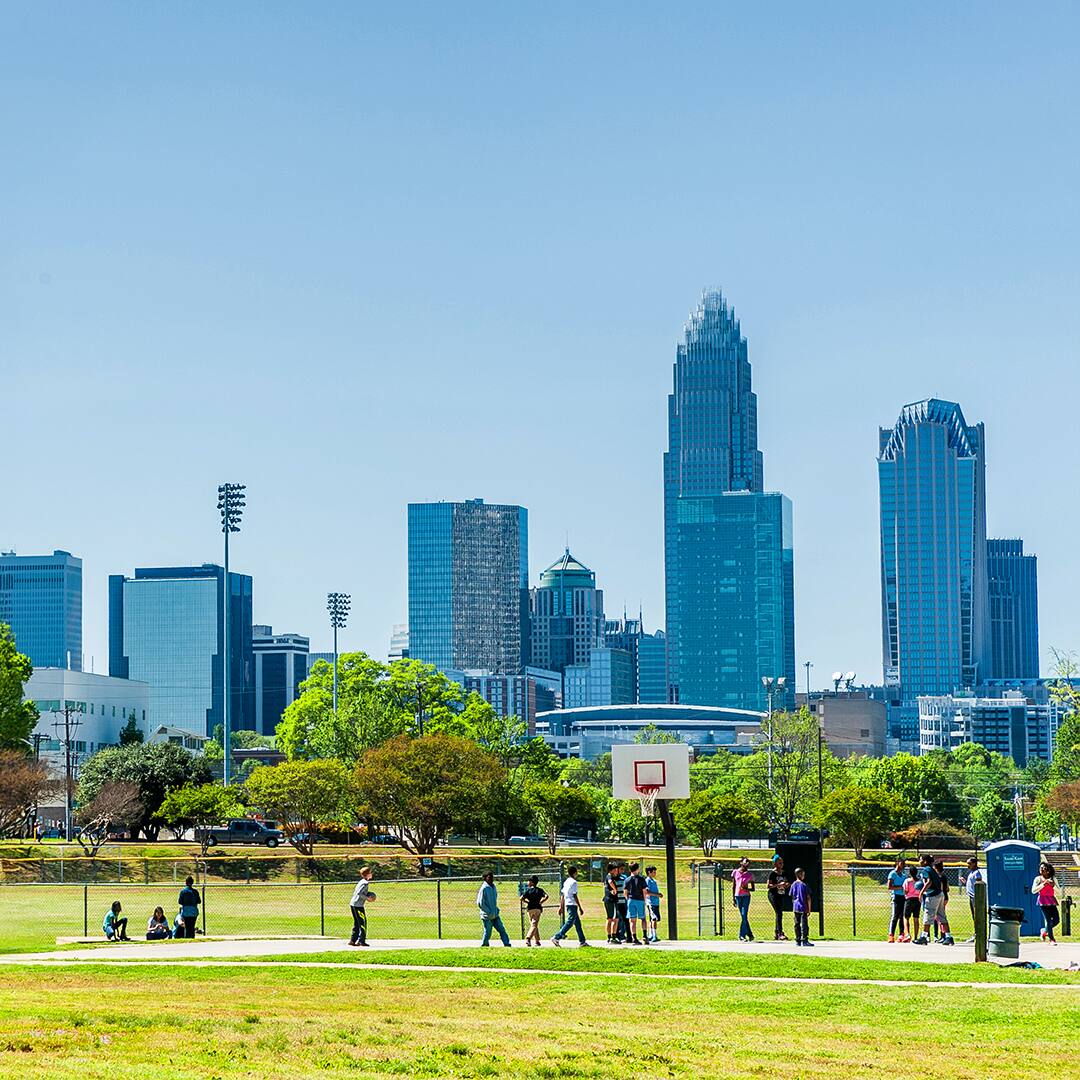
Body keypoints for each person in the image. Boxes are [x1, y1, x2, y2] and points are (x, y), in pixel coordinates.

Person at [916, 854, 953, 945]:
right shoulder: (932, 870)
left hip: (932, 895)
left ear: (925, 861)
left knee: (928, 915)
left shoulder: (926, 870)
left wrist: (921, 892)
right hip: (940, 894)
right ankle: (948, 937)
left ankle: (924, 937)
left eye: (920, 860)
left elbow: (929, 882)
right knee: (942, 916)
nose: (919, 861)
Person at [551, 865, 588, 947]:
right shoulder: (574, 882)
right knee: (570, 922)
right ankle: (557, 937)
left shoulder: (566, 881)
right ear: (575, 873)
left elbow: (563, 895)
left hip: (568, 903)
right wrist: (580, 907)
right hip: (572, 904)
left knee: (577, 923)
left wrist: (561, 906)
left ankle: (582, 941)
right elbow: (574, 895)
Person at [477, 871, 512, 947]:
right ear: (485, 878)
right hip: (487, 916)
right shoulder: (484, 888)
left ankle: (507, 944)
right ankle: (485, 945)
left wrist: (496, 910)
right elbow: (480, 903)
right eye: (489, 877)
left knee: (502, 930)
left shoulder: (493, 887)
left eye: (492, 877)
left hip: (495, 914)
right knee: (488, 932)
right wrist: (488, 911)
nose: (491, 879)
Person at [349, 866, 376, 947]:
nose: (371, 874)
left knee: (357, 923)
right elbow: (359, 893)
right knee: (362, 923)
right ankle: (361, 941)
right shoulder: (365, 883)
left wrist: (368, 894)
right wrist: (367, 898)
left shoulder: (361, 881)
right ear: (367, 874)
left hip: (353, 904)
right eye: (370, 873)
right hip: (358, 905)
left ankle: (353, 940)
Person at [1032, 862, 1059, 944]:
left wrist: (1052, 885)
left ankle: (1044, 930)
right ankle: (1052, 939)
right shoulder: (1038, 879)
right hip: (1042, 901)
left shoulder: (1053, 878)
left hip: (1051, 900)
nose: (1042, 869)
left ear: (1048, 870)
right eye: (1041, 868)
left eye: (1044, 868)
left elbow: (1059, 891)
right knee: (1048, 920)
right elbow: (1033, 891)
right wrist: (1043, 884)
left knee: (1056, 920)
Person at [623, 862, 648, 945]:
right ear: (638, 869)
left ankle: (634, 937)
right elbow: (644, 891)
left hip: (631, 900)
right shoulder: (641, 879)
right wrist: (644, 900)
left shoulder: (627, 879)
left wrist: (628, 899)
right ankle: (645, 935)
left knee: (632, 920)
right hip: (640, 899)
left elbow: (625, 892)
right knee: (643, 918)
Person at [520, 876, 549, 947]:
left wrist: (527, 902)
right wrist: (541, 902)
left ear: (532, 882)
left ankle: (537, 941)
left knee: (534, 924)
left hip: (530, 909)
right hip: (537, 908)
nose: (528, 882)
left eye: (529, 881)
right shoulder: (540, 890)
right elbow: (546, 896)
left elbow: (521, 898)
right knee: (534, 924)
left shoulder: (528, 891)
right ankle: (528, 938)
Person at [766, 856, 790, 941]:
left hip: (781, 894)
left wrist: (786, 885)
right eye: (779, 863)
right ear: (775, 863)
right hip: (773, 895)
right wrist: (778, 885)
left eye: (782, 862)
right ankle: (780, 933)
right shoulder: (772, 873)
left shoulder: (784, 873)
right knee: (779, 913)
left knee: (779, 913)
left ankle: (777, 933)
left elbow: (787, 882)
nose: (781, 864)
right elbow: (768, 886)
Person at [731, 857, 755, 942]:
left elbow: (753, 888)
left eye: (748, 863)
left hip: (746, 896)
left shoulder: (749, 874)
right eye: (745, 862)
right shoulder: (735, 872)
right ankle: (750, 934)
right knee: (743, 916)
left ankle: (742, 935)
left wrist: (746, 888)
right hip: (738, 896)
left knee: (744, 915)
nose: (747, 864)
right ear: (741, 863)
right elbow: (734, 886)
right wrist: (733, 898)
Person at [960, 857, 983, 943]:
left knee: (977, 917)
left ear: (974, 863)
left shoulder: (977, 873)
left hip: (975, 898)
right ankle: (976, 934)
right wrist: (965, 882)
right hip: (971, 897)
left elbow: (979, 886)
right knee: (974, 917)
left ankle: (978, 935)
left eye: (969, 864)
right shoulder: (972, 873)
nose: (968, 865)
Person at [790, 867, 813, 947]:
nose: (804, 876)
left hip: (796, 907)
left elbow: (792, 896)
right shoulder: (804, 885)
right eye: (803, 874)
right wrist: (809, 909)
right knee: (804, 924)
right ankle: (805, 940)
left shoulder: (793, 884)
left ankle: (798, 940)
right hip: (803, 907)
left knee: (796, 924)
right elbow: (808, 898)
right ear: (799, 874)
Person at [885, 857, 907, 942]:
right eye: (902, 863)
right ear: (898, 863)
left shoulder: (904, 875)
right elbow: (889, 887)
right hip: (896, 897)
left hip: (903, 897)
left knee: (902, 916)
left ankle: (901, 934)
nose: (903, 865)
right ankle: (891, 935)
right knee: (895, 916)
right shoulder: (892, 874)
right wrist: (900, 887)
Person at [902, 866, 923, 942]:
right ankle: (916, 936)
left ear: (910, 873)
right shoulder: (920, 881)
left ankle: (907, 934)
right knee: (916, 918)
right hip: (917, 900)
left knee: (906, 917)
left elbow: (905, 891)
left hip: (909, 900)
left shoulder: (907, 881)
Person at [603, 861, 621, 944]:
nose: (616, 871)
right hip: (611, 900)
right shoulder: (609, 876)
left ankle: (609, 937)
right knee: (615, 919)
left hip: (607, 899)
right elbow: (610, 882)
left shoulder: (610, 876)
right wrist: (615, 889)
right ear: (611, 870)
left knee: (609, 918)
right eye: (615, 870)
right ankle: (613, 937)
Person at [645, 865, 663, 943]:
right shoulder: (647, 880)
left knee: (653, 919)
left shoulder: (653, 881)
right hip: (651, 903)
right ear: (649, 872)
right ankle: (654, 935)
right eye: (654, 872)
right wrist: (657, 895)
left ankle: (651, 935)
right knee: (654, 918)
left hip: (655, 902)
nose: (655, 873)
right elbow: (647, 892)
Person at [613, 862, 630, 943]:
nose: (622, 871)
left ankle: (625, 935)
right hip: (617, 901)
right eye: (621, 869)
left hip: (624, 901)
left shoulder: (624, 877)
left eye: (624, 869)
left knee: (625, 919)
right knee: (617, 919)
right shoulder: (613, 878)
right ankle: (617, 935)